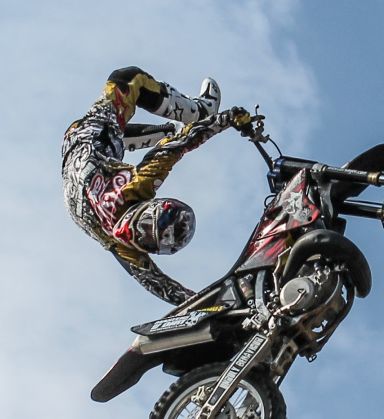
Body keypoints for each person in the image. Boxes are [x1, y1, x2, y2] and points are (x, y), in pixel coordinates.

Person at [61, 66, 248, 308]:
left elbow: (159, 285)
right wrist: (218, 308)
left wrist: (224, 120)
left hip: (90, 139)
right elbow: (162, 286)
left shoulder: (133, 196)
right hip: (91, 159)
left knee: (127, 79)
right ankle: (192, 117)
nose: (140, 233)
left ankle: (198, 113)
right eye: (149, 229)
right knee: (150, 134)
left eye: (147, 239)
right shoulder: (124, 235)